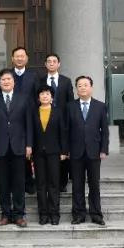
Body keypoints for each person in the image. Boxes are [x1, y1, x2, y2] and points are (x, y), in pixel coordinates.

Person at [0, 68, 33, 227]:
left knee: (19, 182)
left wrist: (29, 144)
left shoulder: (24, 98)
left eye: (9, 79)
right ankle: (5, 214)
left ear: (14, 82)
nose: (6, 82)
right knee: (2, 183)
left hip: (19, 146)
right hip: (0, 146)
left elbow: (29, 123)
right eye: (3, 79)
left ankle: (19, 215)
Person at [68, 76, 109, 226]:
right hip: (75, 151)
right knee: (77, 185)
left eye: (85, 85)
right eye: (79, 85)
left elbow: (104, 131)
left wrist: (104, 149)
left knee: (94, 185)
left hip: (94, 151)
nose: (83, 88)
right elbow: (66, 130)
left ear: (91, 87)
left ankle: (96, 214)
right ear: (76, 89)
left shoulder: (100, 106)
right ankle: (78, 214)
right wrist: (66, 150)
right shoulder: (70, 106)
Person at [32, 85, 68, 225]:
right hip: (38, 153)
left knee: (54, 184)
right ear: (38, 97)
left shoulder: (58, 112)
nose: (45, 96)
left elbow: (63, 133)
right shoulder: (34, 112)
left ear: (52, 97)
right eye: (42, 94)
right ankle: (43, 214)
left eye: (47, 94)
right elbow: (31, 132)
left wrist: (64, 151)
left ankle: (54, 214)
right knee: (41, 185)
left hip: (54, 152)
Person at [9, 47, 40, 194]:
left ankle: (28, 181)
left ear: (27, 59)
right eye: (17, 56)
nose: (20, 58)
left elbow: (37, 97)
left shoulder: (34, 76)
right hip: (11, 118)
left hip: (29, 118)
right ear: (12, 59)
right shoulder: (7, 75)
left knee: (28, 151)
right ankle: (13, 183)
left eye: (22, 56)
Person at [42, 53, 74, 192]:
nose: (51, 63)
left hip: (62, 122)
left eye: (54, 61)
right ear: (45, 64)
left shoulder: (66, 81)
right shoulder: (40, 80)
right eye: (49, 61)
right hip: (45, 122)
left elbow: (70, 102)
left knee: (62, 152)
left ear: (59, 64)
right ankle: (47, 181)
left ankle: (62, 182)